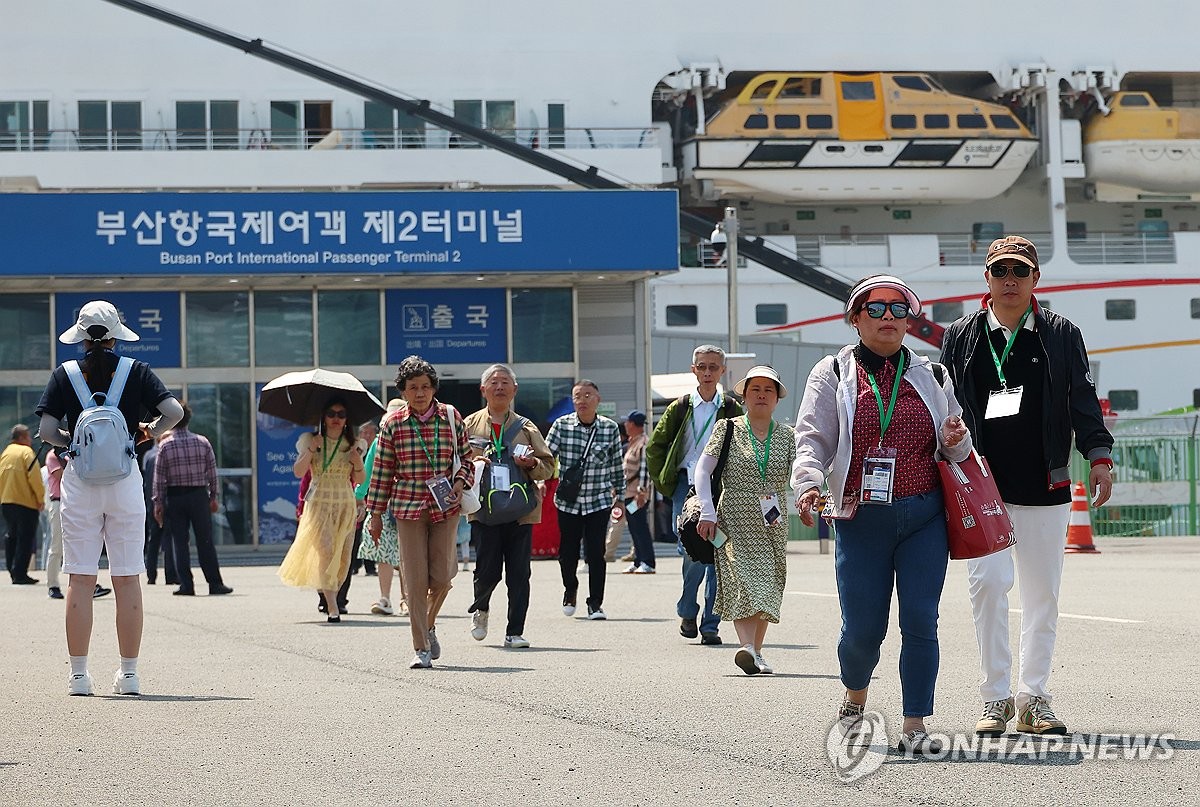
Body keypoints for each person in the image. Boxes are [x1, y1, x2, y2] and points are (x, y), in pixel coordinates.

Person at [940, 236, 1114, 736]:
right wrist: (946, 437)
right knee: (988, 585)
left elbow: (1083, 398)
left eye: (1020, 270)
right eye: (1000, 271)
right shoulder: (962, 335)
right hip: (981, 486)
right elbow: (943, 399)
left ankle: (1033, 696)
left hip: (1046, 483)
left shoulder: (1060, 333)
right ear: (987, 280)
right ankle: (994, 697)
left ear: (1036, 279)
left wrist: (1098, 455)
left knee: (1042, 595)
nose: (1010, 279)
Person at [792, 275, 971, 755]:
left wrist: (957, 440)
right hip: (860, 517)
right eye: (875, 309)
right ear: (854, 318)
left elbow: (956, 443)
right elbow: (813, 437)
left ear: (909, 319)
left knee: (920, 619)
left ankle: (915, 724)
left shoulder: (933, 374)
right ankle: (855, 696)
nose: (888, 317)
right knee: (863, 627)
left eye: (898, 309)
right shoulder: (832, 371)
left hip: (924, 516)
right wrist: (808, 482)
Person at [36, 300, 184, 696]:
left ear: (81, 337)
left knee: (81, 578)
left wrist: (72, 443)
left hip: (80, 483)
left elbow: (48, 429)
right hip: (124, 480)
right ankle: (130, 674)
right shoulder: (137, 371)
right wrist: (147, 430)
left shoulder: (65, 374)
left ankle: (79, 676)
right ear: (116, 333)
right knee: (127, 578)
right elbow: (173, 411)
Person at [366, 356, 474, 669]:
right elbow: (382, 472)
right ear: (402, 391)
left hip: (446, 505)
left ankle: (428, 622)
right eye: (413, 388)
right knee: (414, 580)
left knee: (442, 577)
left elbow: (467, 459)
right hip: (407, 505)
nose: (420, 393)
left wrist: (458, 482)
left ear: (434, 388)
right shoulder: (393, 424)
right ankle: (421, 647)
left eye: (425, 387)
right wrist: (374, 514)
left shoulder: (451, 417)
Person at [695, 366, 797, 674]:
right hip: (735, 516)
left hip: (774, 518)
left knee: (770, 582)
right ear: (744, 395)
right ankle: (746, 647)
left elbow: (804, 472)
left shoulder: (789, 436)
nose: (762, 395)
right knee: (743, 580)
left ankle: (754, 651)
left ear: (777, 398)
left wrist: (809, 499)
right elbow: (703, 471)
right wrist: (707, 510)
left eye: (769, 389)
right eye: (756, 389)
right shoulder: (727, 428)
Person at [646, 345, 743, 645]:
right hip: (685, 488)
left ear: (722, 371)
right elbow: (655, 447)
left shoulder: (731, 409)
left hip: (720, 488)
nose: (707, 372)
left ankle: (711, 624)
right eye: (702, 366)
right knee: (691, 552)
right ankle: (688, 608)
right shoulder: (680, 407)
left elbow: (743, 446)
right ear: (693, 370)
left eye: (713, 367)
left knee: (718, 553)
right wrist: (666, 481)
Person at [463, 364, 555, 648]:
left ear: (515, 390)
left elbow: (549, 467)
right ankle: (482, 608)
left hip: (520, 511)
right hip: (483, 510)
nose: (499, 387)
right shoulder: (468, 425)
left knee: (519, 574)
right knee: (486, 569)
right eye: (494, 382)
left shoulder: (526, 428)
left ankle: (515, 631)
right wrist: (472, 464)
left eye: (505, 382)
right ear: (483, 389)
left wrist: (532, 464)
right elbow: (456, 462)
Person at [279, 396, 367, 622]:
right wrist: (310, 449)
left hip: (344, 504)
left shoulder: (355, 443)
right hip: (319, 504)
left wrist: (357, 461)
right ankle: (332, 606)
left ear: (347, 419)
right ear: (323, 417)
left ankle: (330, 594)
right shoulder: (310, 439)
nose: (336, 419)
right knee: (327, 552)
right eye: (331, 414)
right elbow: (298, 472)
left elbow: (359, 479)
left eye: (341, 414)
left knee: (343, 555)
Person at [546, 379, 623, 621]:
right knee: (567, 552)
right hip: (568, 501)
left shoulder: (609, 428)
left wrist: (620, 497)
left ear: (598, 400)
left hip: (598, 500)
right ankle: (570, 589)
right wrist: (538, 479)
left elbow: (616, 466)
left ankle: (595, 604)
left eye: (588, 395)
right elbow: (548, 457)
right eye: (578, 396)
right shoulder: (561, 425)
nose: (582, 400)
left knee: (596, 553)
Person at [151, 402, 233, 596]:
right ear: (189, 420)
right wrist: (214, 496)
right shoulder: (202, 442)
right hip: (198, 495)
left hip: (175, 496)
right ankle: (214, 583)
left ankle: (187, 585)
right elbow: (212, 473)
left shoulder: (165, 445)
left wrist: (158, 502)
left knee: (180, 542)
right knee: (205, 540)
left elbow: (159, 477)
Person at [357, 399, 408, 616]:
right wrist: (359, 496)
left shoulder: (408, 439)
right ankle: (388, 598)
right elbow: (367, 473)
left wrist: (359, 496)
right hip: (387, 505)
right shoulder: (378, 442)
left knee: (407, 555)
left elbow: (367, 474)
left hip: (405, 502)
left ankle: (406, 599)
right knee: (386, 555)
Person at [2, 425, 45, 585]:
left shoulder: (5, 453)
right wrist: (40, 498)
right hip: (26, 502)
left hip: (7, 501)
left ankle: (12, 570)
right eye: (27, 437)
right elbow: (35, 477)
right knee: (25, 538)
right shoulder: (26, 453)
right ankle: (20, 573)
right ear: (21, 437)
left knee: (11, 536)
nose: (30, 440)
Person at [618, 410, 655, 575]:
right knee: (633, 526)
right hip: (628, 494)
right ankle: (638, 560)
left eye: (627, 422)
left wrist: (642, 492)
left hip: (637, 495)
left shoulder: (644, 443)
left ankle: (648, 562)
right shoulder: (633, 441)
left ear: (633, 424)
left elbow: (645, 471)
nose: (625, 425)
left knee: (640, 527)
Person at [140, 435, 177, 587]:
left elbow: (146, 481)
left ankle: (151, 575)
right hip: (166, 501)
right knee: (167, 538)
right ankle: (170, 575)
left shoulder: (148, 456)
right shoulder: (166, 456)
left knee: (153, 540)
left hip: (151, 502)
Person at [350, 418, 378, 579]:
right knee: (356, 532)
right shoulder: (357, 449)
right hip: (359, 494)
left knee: (371, 532)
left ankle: (370, 566)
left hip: (373, 496)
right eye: (364, 432)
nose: (366, 435)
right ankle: (354, 565)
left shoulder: (378, 447)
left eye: (370, 432)